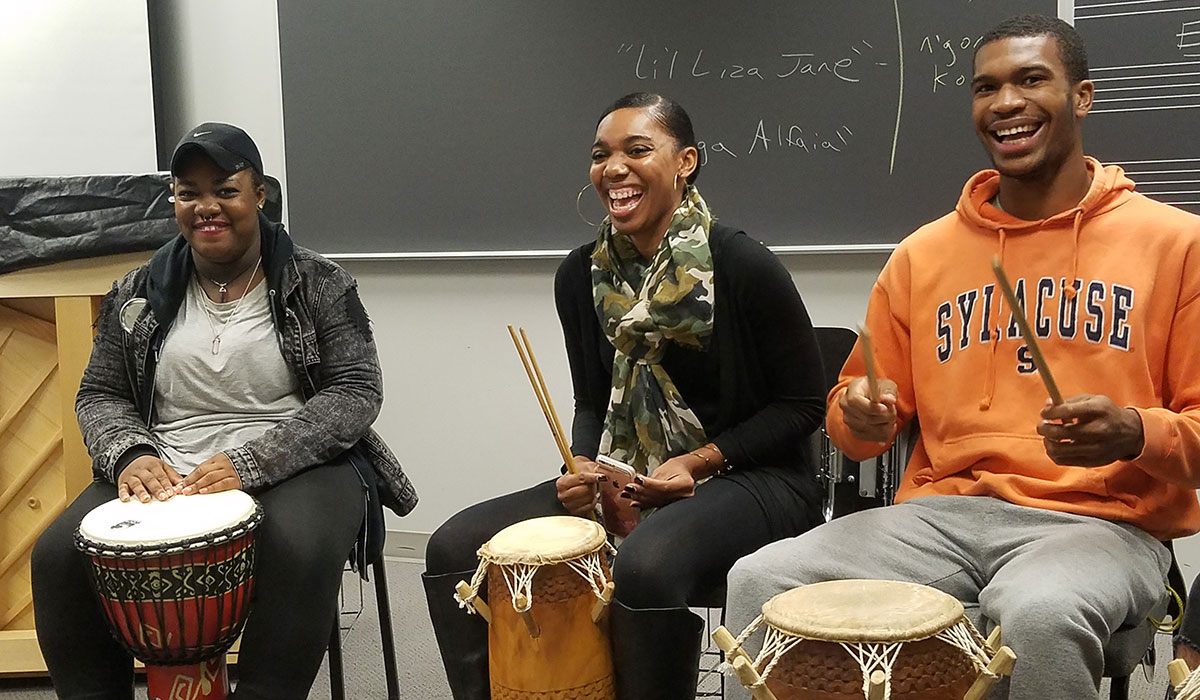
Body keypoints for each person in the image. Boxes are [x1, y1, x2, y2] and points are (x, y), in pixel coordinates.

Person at [726, 14, 1200, 700]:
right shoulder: (923, 255)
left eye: (1031, 79)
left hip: (1102, 524)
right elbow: (855, 431)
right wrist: (857, 417)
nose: (1006, 102)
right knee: (761, 580)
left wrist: (1134, 432)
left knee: (1042, 613)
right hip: (938, 518)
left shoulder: (1176, 246)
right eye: (986, 87)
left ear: (1082, 97)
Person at [422, 92, 826, 700]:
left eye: (637, 150)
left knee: (646, 565)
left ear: (685, 161)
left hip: (755, 477)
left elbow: (803, 406)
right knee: (454, 547)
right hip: (629, 475)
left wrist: (697, 462)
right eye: (600, 155)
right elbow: (591, 402)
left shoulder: (741, 264)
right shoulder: (579, 275)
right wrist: (583, 464)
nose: (613, 168)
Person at [30, 122, 417, 700]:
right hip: (168, 464)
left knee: (296, 545)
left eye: (225, 190)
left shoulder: (320, 282)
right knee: (58, 556)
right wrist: (130, 453)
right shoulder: (135, 292)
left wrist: (251, 463)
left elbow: (356, 391)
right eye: (188, 192)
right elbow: (100, 394)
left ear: (259, 194)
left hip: (298, 461)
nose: (206, 206)